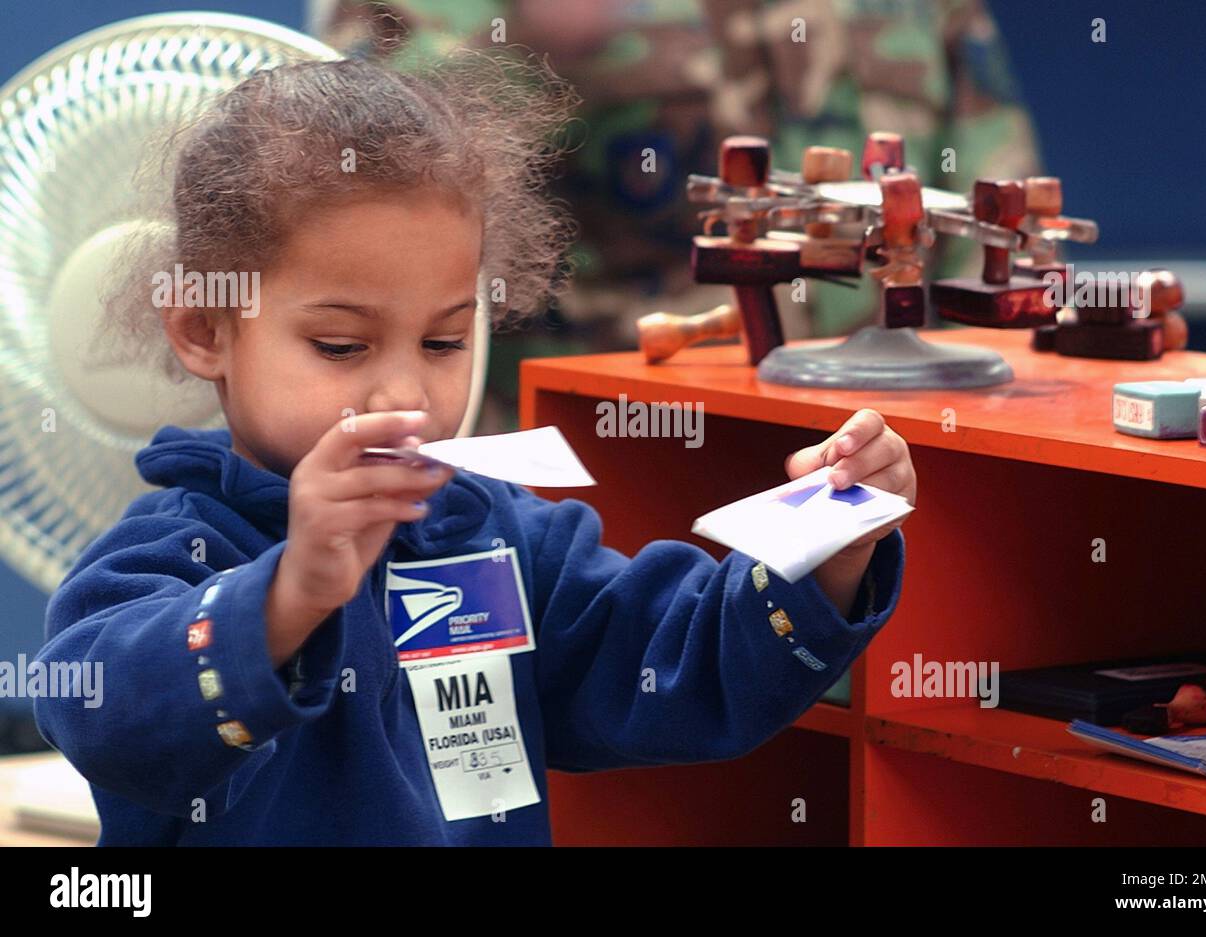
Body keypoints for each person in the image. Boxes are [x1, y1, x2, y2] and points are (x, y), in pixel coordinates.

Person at [32, 54, 914, 845]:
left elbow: (680, 669)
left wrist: (829, 552)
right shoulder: (169, 555)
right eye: (341, 346)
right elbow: (104, 711)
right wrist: (289, 594)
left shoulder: (496, 532)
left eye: (445, 341)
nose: (405, 395)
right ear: (202, 328)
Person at [318, 0, 1043, 431]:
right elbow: (362, 183)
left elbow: (990, 183)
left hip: (883, 451)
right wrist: (528, 40)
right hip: (594, 469)